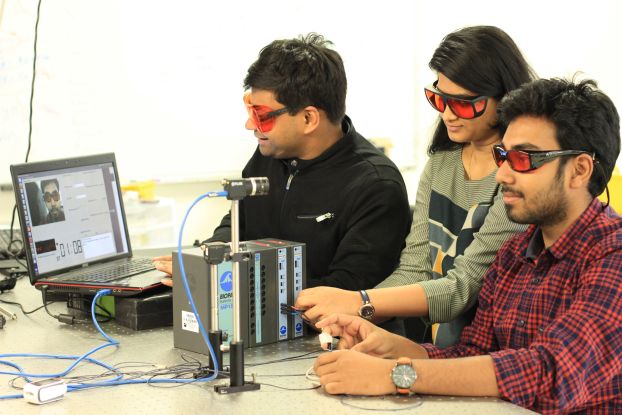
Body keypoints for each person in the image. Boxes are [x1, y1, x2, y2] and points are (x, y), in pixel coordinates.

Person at [313, 77, 622, 414]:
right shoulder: (516, 253)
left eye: (524, 159)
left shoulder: (613, 257)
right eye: (503, 156)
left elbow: (550, 373)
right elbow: (474, 354)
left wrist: (395, 374)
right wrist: (394, 349)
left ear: (579, 170)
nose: (502, 174)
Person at [296, 26, 535, 346]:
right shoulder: (441, 163)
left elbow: (462, 288)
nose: (448, 114)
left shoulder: (515, 178)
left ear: (504, 98)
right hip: (441, 347)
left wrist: (360, 302)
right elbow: (416, 268)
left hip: (496, 352)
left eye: (463, 104)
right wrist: (352, 318)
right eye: (439, 98)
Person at [154, 33, 411, 291]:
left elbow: (344, 291)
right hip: (257, 312)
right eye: (250, 111)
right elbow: (238, 223)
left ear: (309, 119)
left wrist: (237, 286)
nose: (250, 125)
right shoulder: (270, 155)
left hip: (329, 329)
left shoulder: (375, 186)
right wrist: (206, 260)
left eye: (262, 116)